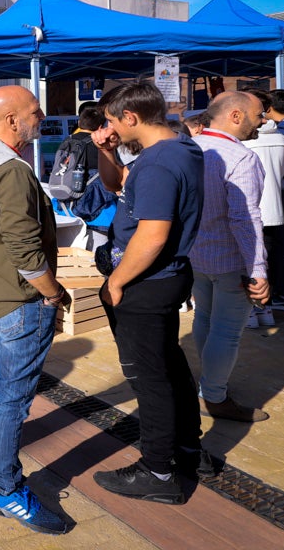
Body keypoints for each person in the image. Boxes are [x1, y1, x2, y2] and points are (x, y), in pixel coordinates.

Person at [0, 86, 71, 535]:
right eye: (35, 112)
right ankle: (3, 488)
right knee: (12, 394)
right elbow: (25, 250)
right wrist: (52, 293)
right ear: (11, 121)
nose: (42, 118)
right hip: (19, 300)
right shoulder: (10, 171)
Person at [89, 82, 207, 504]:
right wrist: (107, 152)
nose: (109, 128)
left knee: (150, 378)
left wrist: (116, 281)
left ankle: (158, 471)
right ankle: (187, 451)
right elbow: (120, 186)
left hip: (147, 282)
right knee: (169, 366)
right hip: (163, 278)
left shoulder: (159, 162)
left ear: (131, 117)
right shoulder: (177, 148)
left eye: (112, 121)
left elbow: (153, 234)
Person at [190, 92, 270, 422]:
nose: (263, 120)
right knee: (225, 331)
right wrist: (258, 270)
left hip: (195, 256)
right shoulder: (241, 157)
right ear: (236, 116)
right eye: (259, 114)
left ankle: (209, 387)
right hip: (230, 261)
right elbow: (245, 218)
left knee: (205, 320)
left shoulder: (190, 148)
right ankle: (214, 397)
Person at [245, 90, 284, 327]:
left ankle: (257, 307)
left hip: (261, 201)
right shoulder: (282, 137)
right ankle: (277, 300)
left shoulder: (252, 140)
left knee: (257, 254)